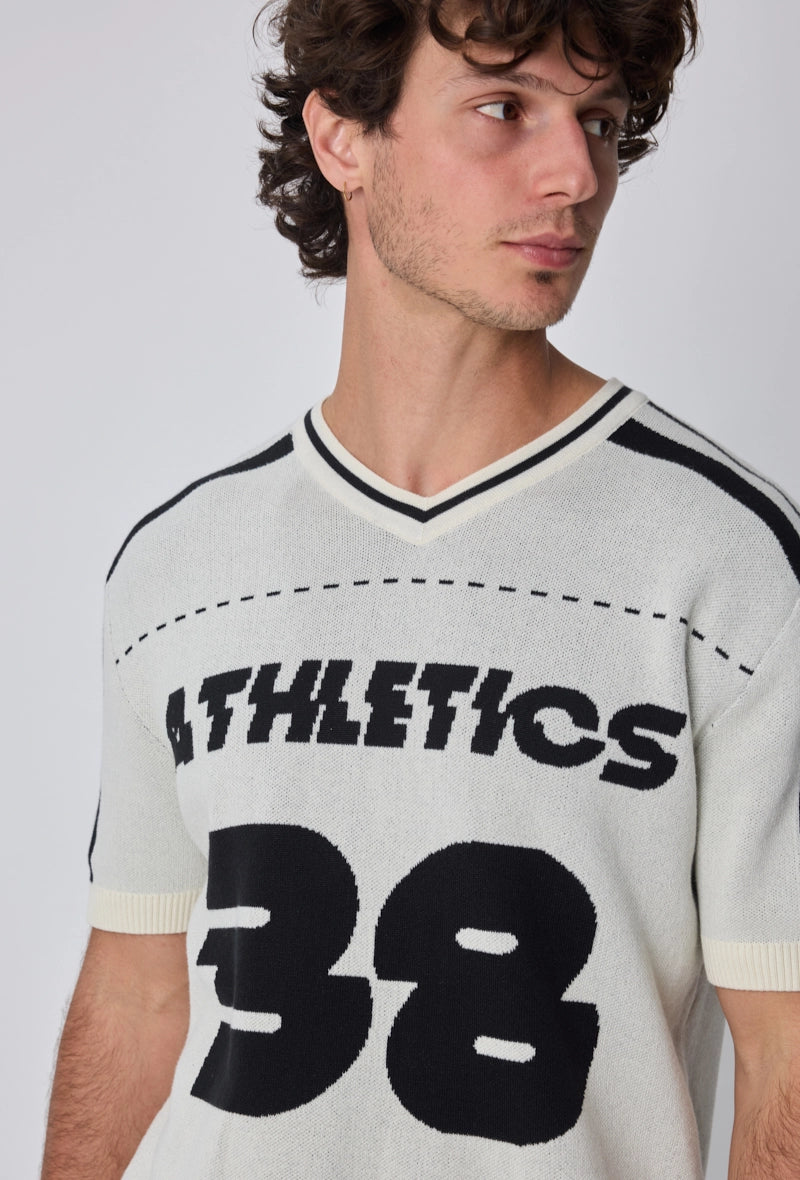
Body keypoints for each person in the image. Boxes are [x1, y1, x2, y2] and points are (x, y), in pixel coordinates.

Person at [41, 0, 800, 1175]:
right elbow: (135, 991)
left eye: (599, 122)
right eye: (503, 108)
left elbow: (783, 1051)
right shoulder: (179, 563)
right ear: (343, 137)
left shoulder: (724, 562)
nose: (574, 175)